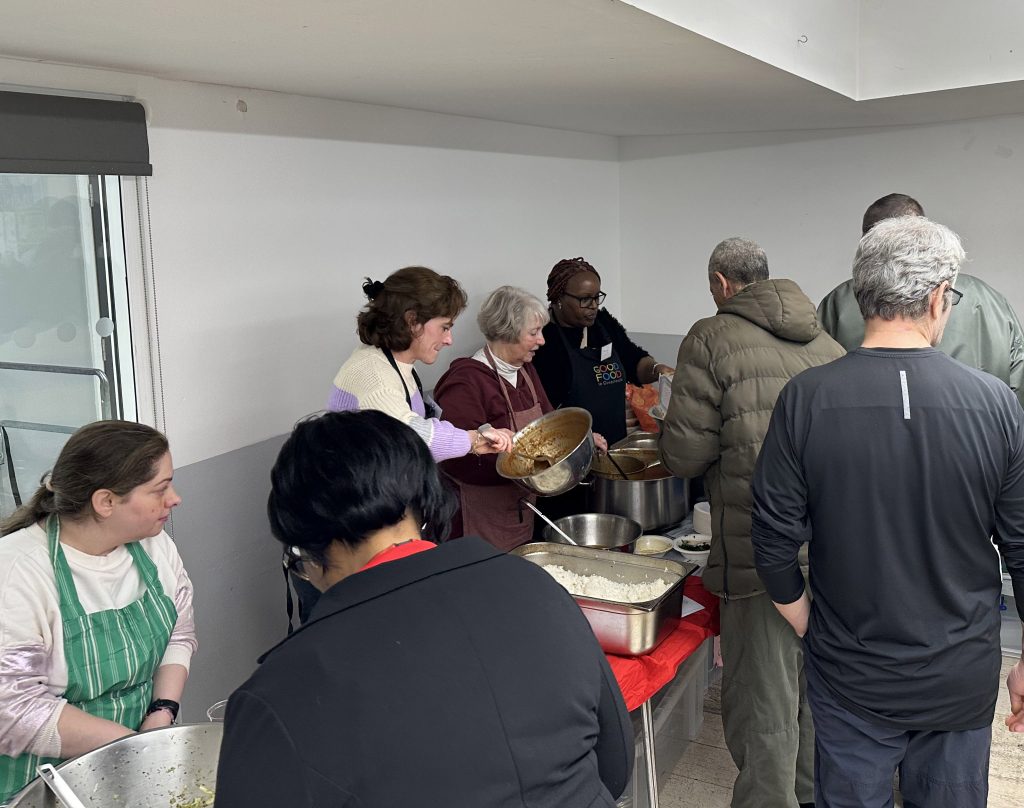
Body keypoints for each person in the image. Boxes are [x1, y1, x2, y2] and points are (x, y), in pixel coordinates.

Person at [215, 410, 633, 808]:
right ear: (425, 499)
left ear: (304, 539)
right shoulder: (536, 585)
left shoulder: (279, 692)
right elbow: (615, 766)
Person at [751, 216, 1024, 808]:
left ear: (860, 294)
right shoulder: (996, 403)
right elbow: (1023, 546)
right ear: (935, 298)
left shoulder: (806, 398)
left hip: (850, 673)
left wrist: (809, 626)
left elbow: (771, 544)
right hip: (960, 673)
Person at [658, 237, 844, 808]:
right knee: (817, 694)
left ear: (720, 282)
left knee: (763, 701)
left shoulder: (710, 337)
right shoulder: (829, 343)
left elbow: (685, 456)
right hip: (834, 552)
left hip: (759, 547)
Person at [0, 421, 197, 802]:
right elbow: (13, 709)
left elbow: (179, 633)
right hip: (41, 784)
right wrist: (137, 747)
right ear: (105, 502)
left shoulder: (155, 548)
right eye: (160, 489)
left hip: (136, 763)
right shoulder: (17, 572)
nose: (175, 499)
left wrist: (162, 711)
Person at [433, 286, 609, 550]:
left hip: (518, 508)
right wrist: (524, 471)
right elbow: (456, 461)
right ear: (508, 332)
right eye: (533, 333)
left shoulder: (525, 371)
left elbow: (551, 425)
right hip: (478, 518)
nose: (542, 341)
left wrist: (583, 441)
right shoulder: (466, 380)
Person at [818, 192, 1024, 408]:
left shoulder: (840, 300)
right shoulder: (989, 298)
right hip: (980, 432)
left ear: (866, 244)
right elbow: (1018, 384)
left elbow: (818, 377)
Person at [327, 265, 514, 461]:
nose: (449, 339)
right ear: (412, 321)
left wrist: (474, 440)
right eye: (444, 328)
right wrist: (473, 439)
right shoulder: (374, 376)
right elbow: (411, 437)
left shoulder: (397, 362)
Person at [532, 257, 673, 446]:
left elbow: (634, 361)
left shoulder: (604, 324)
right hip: (573, 448)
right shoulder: (544, 341)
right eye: (584, 299)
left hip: (615, 443)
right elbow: (545, 412)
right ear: (559, 298)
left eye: (596, 297)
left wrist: (657, 369)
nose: (593, 305)